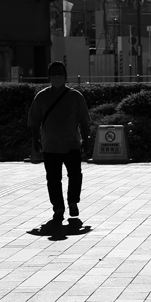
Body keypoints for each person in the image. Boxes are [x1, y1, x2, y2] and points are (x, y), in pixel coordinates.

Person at [28, 61, 90, 224]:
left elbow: (84, 121)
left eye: (59, 73)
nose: (56, 76)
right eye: (53, 73)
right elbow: (34, 121)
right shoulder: (41, 97)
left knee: (75, 175)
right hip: (50, 146)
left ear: (65, 76)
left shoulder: (76, 96)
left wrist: (86, 139)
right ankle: (58, 208)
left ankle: (72, 202)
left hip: (72, 144)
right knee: (53, 179)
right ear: (49, 77)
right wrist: (36, 141)